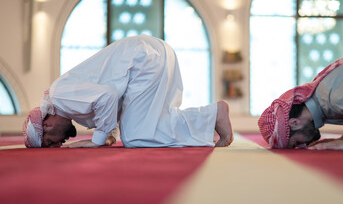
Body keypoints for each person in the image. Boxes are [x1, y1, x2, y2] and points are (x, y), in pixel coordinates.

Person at [23, 35, 233, 148]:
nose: (60, 144)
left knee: (135, 136)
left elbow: (108, 96)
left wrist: (96, 141)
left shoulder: (59, 96)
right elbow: (110, 100)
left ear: (46, 125)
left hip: (143, 60)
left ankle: (213, 115)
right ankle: (212, 116)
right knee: (152, 124)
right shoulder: (63, 100)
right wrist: (110, 134)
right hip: (154, 52)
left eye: (51, 142)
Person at [258, 54, 343, 150]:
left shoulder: (331, 98)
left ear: (294, 122)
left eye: (296, 143)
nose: (303, 146)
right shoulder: (323, 101)